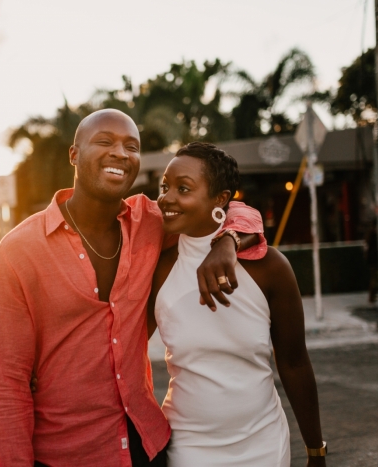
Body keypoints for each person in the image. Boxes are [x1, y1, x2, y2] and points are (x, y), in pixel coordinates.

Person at [0, 109, 267, 467]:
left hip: (146, 446)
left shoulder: (151, 222)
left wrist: (228, 240)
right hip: (65, 455)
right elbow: (4, 386)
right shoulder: (19, 250)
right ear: (74, 154)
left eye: (131, 146)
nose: (120, 153)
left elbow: (233, 208)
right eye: (105, 141)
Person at [147, 142, 326, 467]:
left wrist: (316, 450)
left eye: (183, 188)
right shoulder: (158, 270)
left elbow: (295, 363)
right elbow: (121, 348)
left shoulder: (270, 268)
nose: (166, 198)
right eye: (165, 186)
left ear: (220, 199)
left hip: (263, 444)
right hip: (187, 446)